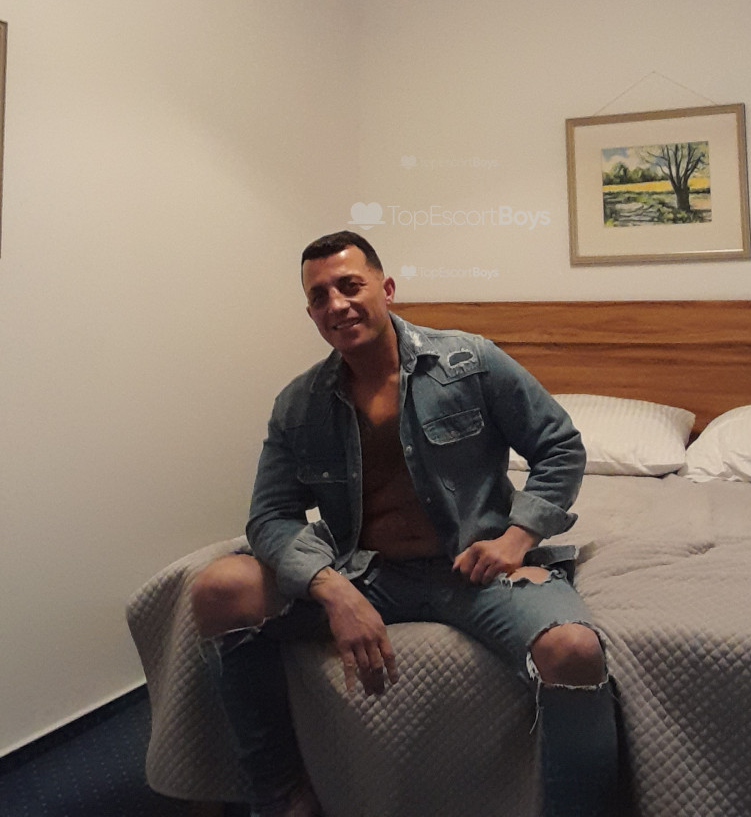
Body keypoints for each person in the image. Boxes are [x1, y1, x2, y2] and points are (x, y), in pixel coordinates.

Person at [191, 231, 620, 817]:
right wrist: (331, 588)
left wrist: (517, 538)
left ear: (386, 288)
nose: (337, 304)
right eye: (319, 296)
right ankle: (282, 795)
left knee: (574, 650)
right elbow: (270, 515)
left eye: (350, 285)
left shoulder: (469, 362)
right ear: (311, 314)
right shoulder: (299, 404)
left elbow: (560, 446)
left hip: (473, 569)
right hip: (366, 573)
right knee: (219, 589)